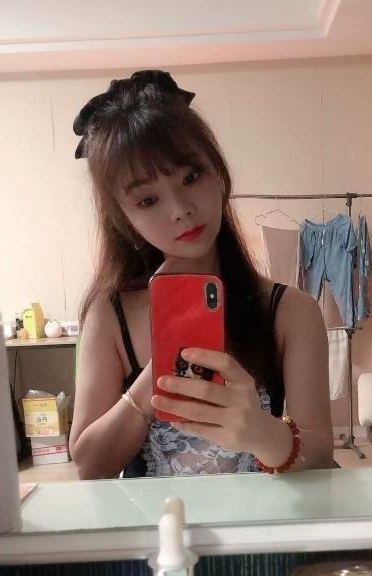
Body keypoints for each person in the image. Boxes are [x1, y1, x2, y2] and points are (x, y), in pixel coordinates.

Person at [69, 70, 334, 479]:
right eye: (148, 199)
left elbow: (320, 457)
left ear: (219, 174)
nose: (180, 209)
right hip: (158, 521)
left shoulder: (291, 311)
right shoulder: (109, 315)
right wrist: (158, 372)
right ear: (124, 219)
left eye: (191, 177)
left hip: (262, 520)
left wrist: (263, 433)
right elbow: (89, 466)